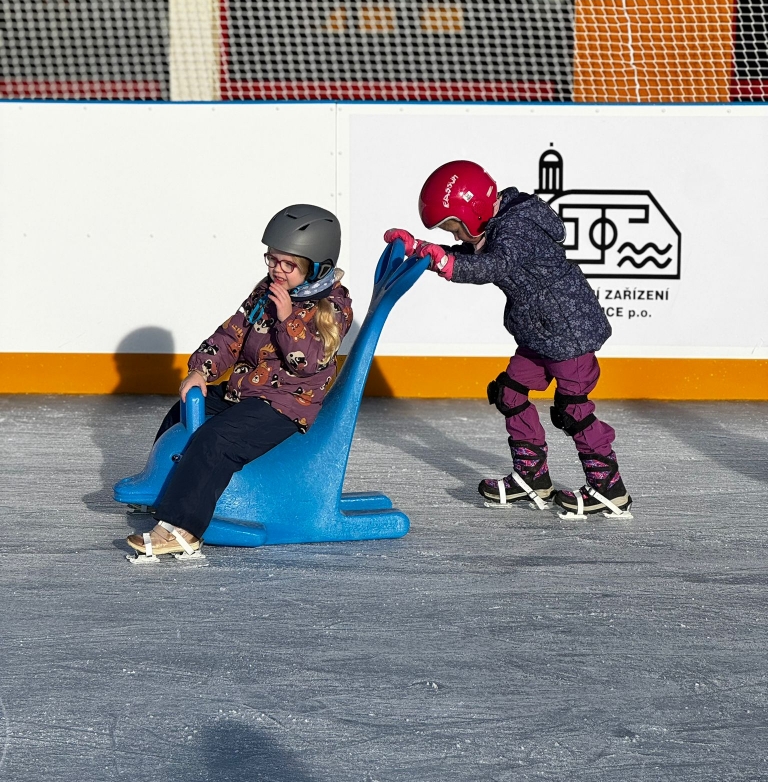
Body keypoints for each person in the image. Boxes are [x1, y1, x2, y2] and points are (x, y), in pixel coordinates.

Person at [384, 160, 631, 518]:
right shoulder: (499, 224)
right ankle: (532, 477)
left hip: (568, 332)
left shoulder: (518, 227)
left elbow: (494, 264)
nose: (455, 237)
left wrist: (444, 264)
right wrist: (421, 248)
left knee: (572, 409)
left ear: (474, 210)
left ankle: (609, 487)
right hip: (539, 333)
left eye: (454, 226)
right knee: (510, 393)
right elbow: (473, 255)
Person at [127, 204, 353, 559]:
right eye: (272, 259)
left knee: (216, 440)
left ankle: (184, 528)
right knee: (182, 410)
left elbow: (309, 362)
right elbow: (232, 335)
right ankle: (162, 487)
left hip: (285, 405)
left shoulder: (332, 308)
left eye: (288, 265)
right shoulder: (266, 291)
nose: (277, 270)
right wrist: (201, 370)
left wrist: (287, 319)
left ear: (316, 268)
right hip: (244, 393)